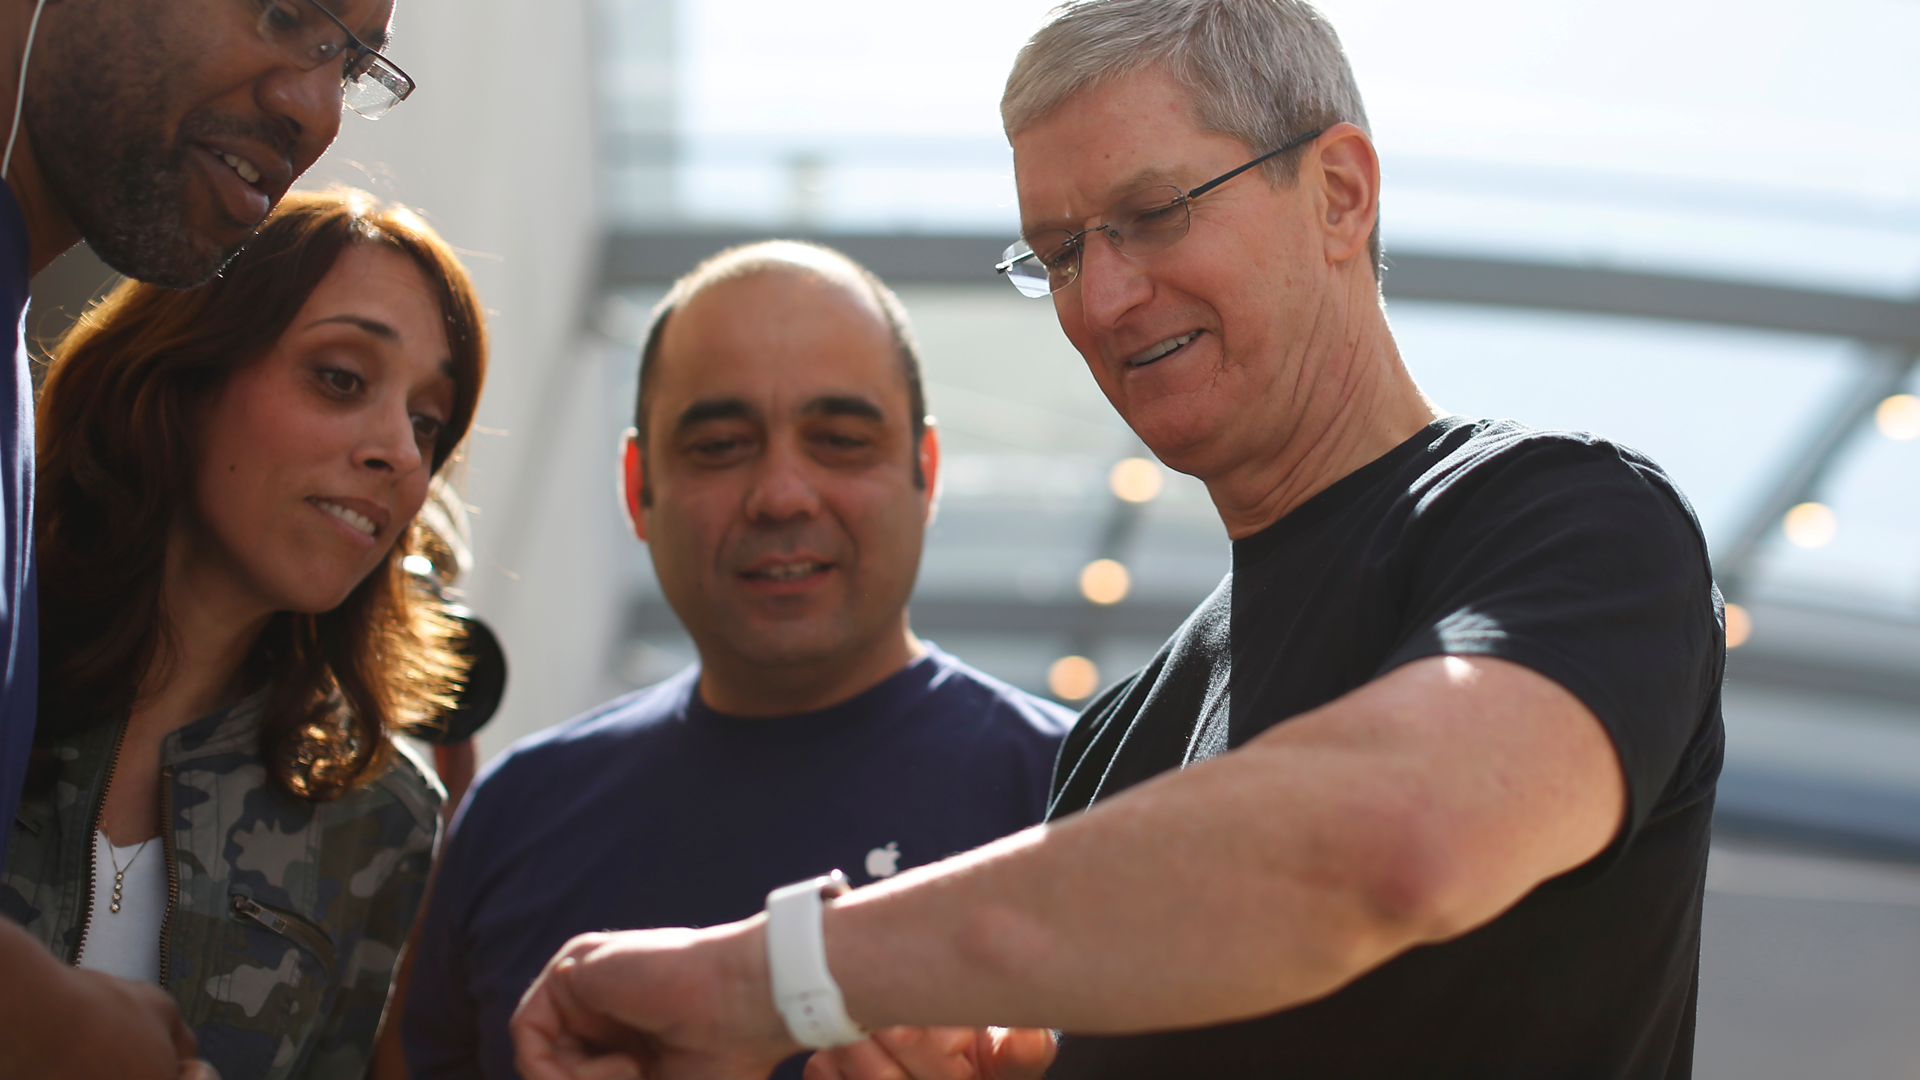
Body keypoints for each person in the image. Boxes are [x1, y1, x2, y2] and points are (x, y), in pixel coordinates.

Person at [509, 2, 1726, 1079]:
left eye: (1152, 214)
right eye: (1059, 253)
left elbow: (1392, 842)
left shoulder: (1566, 521)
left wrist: (769, 978)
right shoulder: (1114, 736)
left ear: (1340, 194)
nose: (1100, 301)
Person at [400, 241, 1073, 1080]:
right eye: (720, 445)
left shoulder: (1086, 795)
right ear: (637, 486)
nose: (782, 494)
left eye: (840, 439)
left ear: (925, 472)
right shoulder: (515, 817)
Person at [0, 1, 418, 1076]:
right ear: (183, 378)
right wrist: (63, 1026)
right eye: (284, 13)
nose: (317, 109)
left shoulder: (390, 820)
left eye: (352, 64)